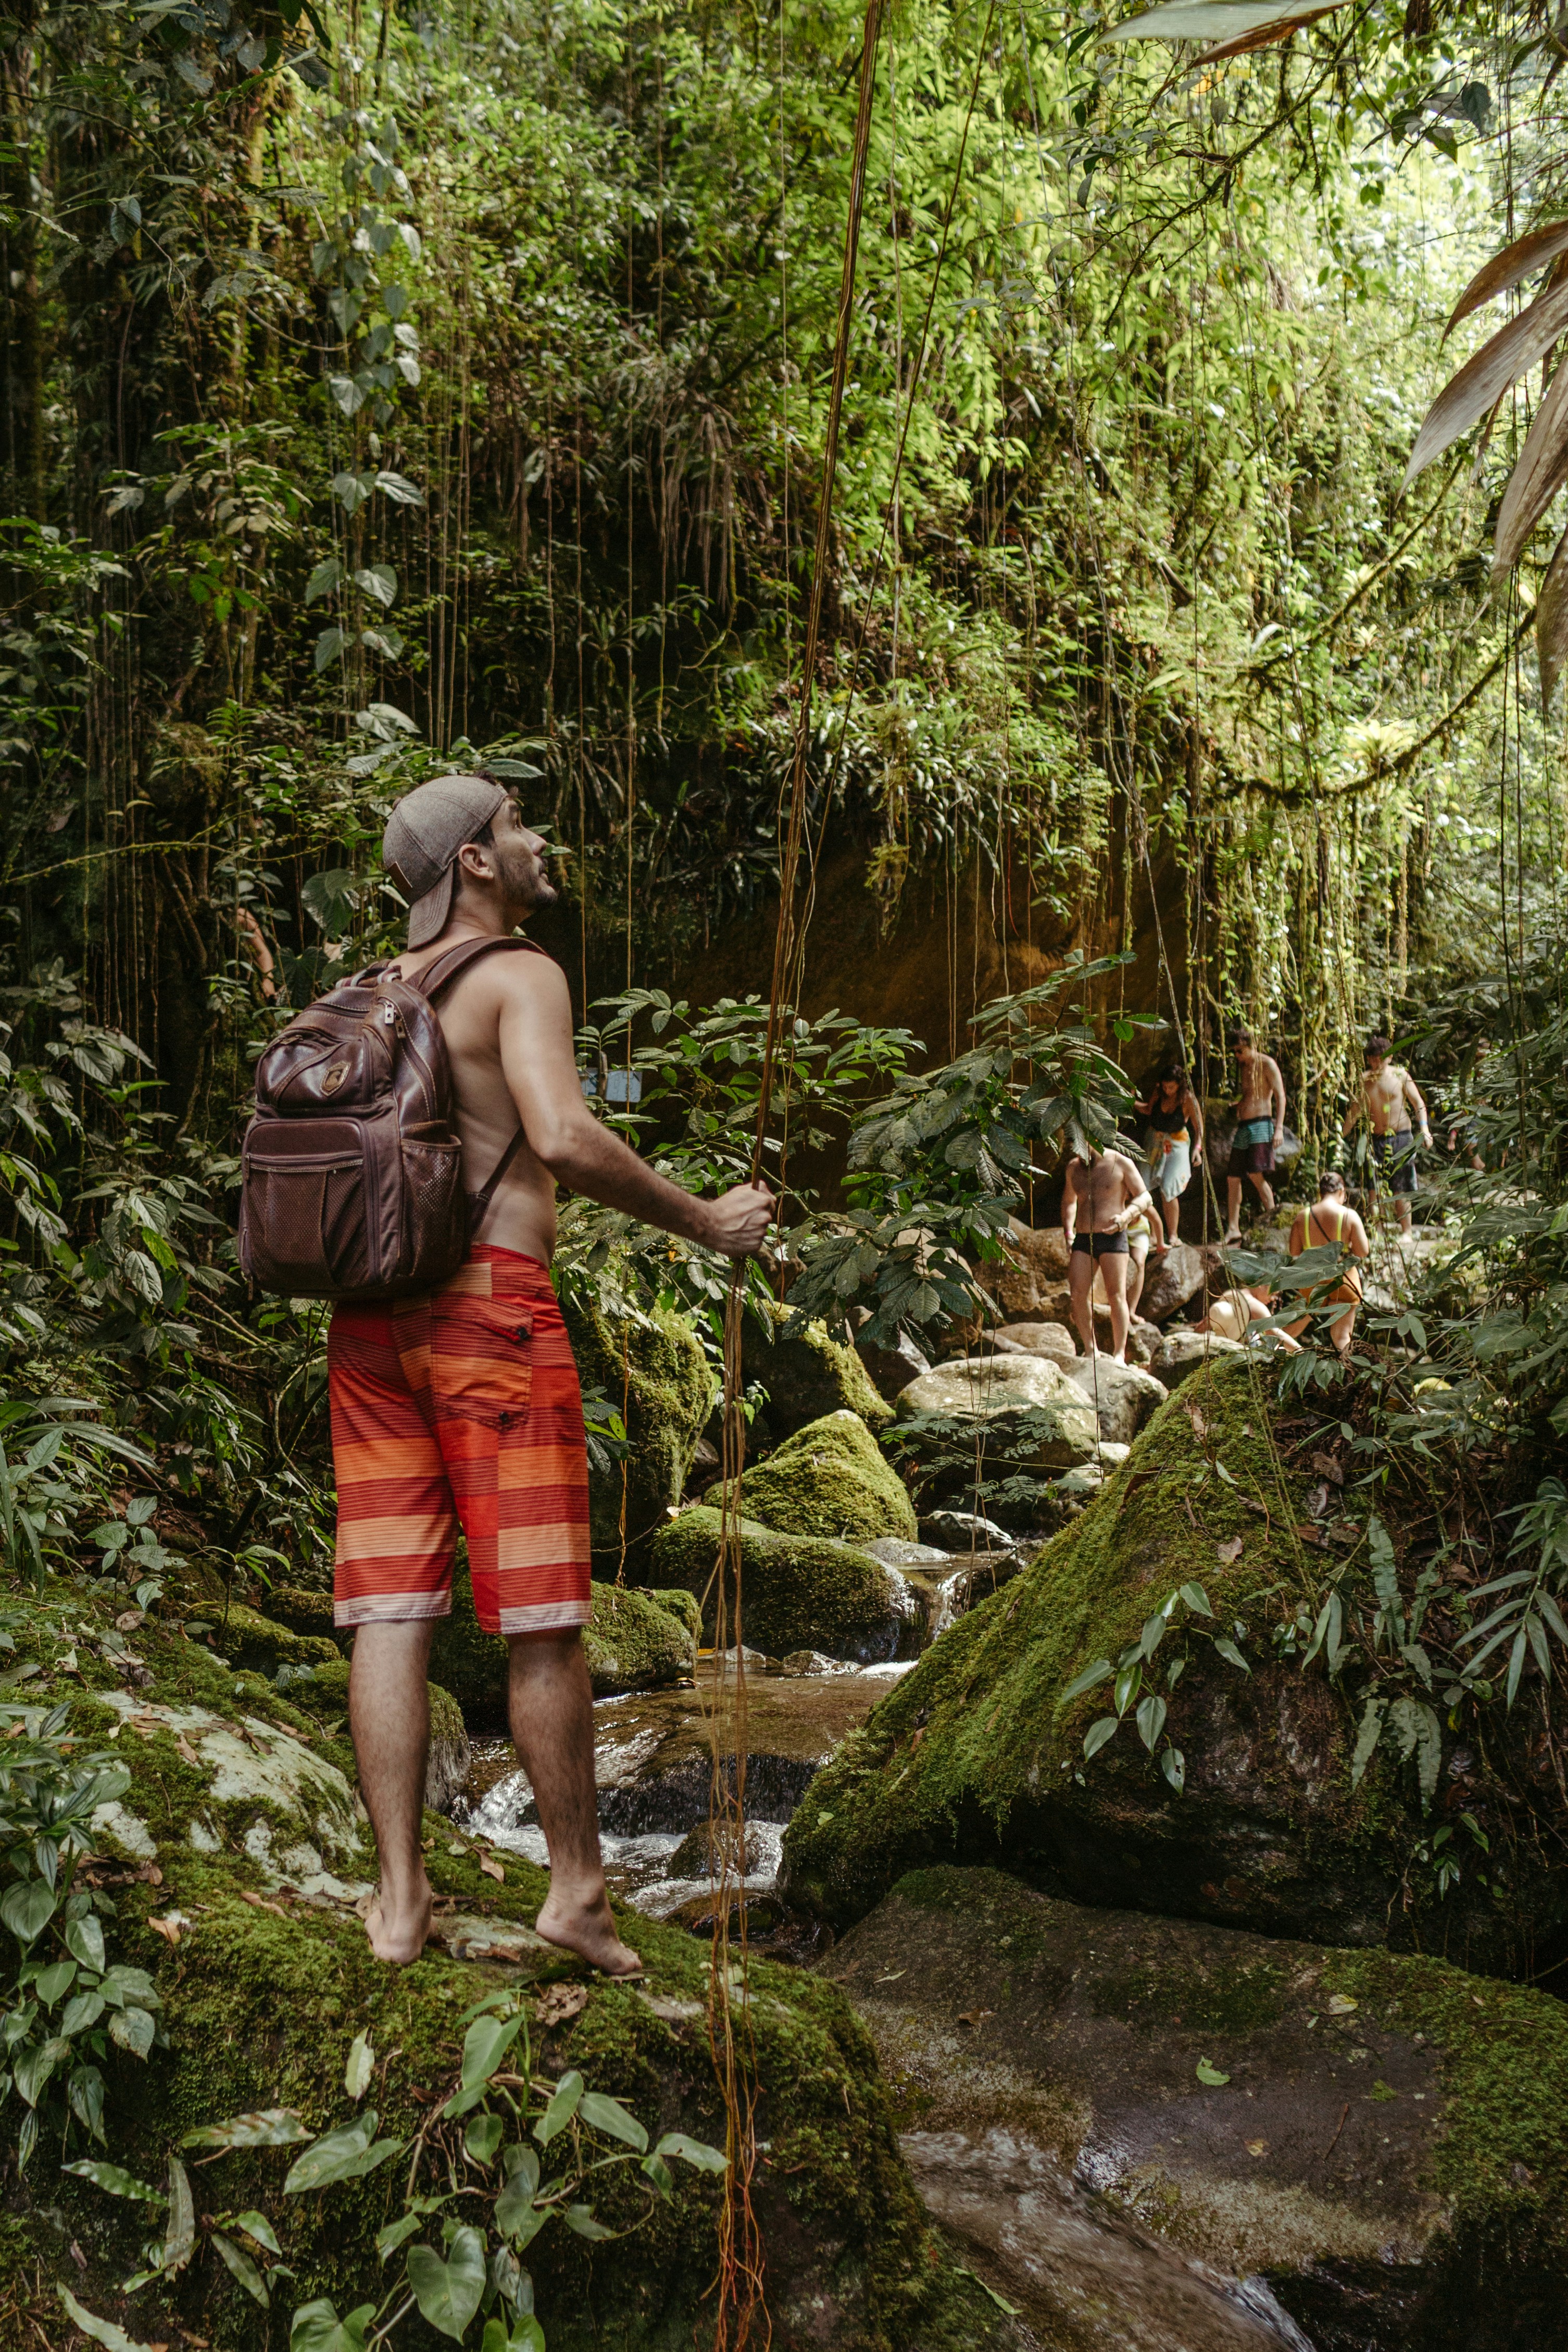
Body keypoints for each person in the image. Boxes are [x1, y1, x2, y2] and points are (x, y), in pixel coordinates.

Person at [331, 775, 773, 1971]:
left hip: (368, 1323)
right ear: (474, 861)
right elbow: (566, 1136)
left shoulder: (382, 991)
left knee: (387, 1606)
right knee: (540, 1619)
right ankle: (576, 1894)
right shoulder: (518, 974)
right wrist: (705, 1221)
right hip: (488, 1313)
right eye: (520, 825)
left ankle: (397, 1902)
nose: (540, 840)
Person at [1061, 1125, 1156, 1363]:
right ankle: (1090, 1349)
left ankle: (1119, 1354)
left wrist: (1127, 1216)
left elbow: (1145, 1196)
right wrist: (1068, 1231)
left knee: (1116, 1296)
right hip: (1083, 1239)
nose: (1078, 1151)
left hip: (1113, 1236)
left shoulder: (1120, 1162)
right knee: (1078, 1295)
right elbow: (1070, 1201)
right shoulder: (1073, 1168)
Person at [1343, 1033, 1432, 1236]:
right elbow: (1356, 1110)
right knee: (1374, 1187)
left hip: (1401, 1135)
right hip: (1375, 1138)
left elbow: (1418, 1103)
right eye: (1373, 1058)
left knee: (1401, 1186)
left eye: (1381, 1058)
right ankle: (1378, 1232)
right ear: (1368, 1059)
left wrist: (1425, 1129)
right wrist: (1342, 1135)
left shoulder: (1400, 1075)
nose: (1377, 1063)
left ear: (1390, 1057)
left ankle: (1407, 1232)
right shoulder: (1364, 1080)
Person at [1281, 1170, 1369, 1357]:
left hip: (1312, 1280)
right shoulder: (1350, 1215)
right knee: (1342, 1337)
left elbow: (1295, 1252)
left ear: (1320, 1193)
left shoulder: (1302, 1216)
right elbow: (1363, 1252)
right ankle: (1347, 1376)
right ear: (1342, 1192)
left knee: (1292, 1330)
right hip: (1344, 1280)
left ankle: (1275, 1354)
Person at [1224, 1029, 1286, 1244]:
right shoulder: (1243, 1067)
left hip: (1262, 1123)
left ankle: (1273, 1220)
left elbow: (1280, 1096)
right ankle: (1233, 1228)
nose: (1237, 1056)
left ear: (1252, 1045)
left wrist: (1278, 1129)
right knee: (1233, 1177)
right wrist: (1239, 1104)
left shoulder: (1267, 1064)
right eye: (1234, 1052)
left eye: (1240, 1051)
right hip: (1244, 1125)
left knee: (1256, 1175)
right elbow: (1249, 1094)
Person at [1134, 1062, 1205, 1243]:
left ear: (1180, 1085)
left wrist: (1197, 1150)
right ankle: (1151, 1235)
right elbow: (1148, 1110)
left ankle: (1173, 1235)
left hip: (1177, 1143)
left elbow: (1199, 1129)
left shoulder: (1188, 1099)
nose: (1168, 1090)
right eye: (1165, 1086)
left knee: (1169, 1188)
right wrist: (1130, 1100)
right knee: (1142, 1186)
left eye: (1171, 1087)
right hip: (1154, 1142)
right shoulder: (1159, 1093)